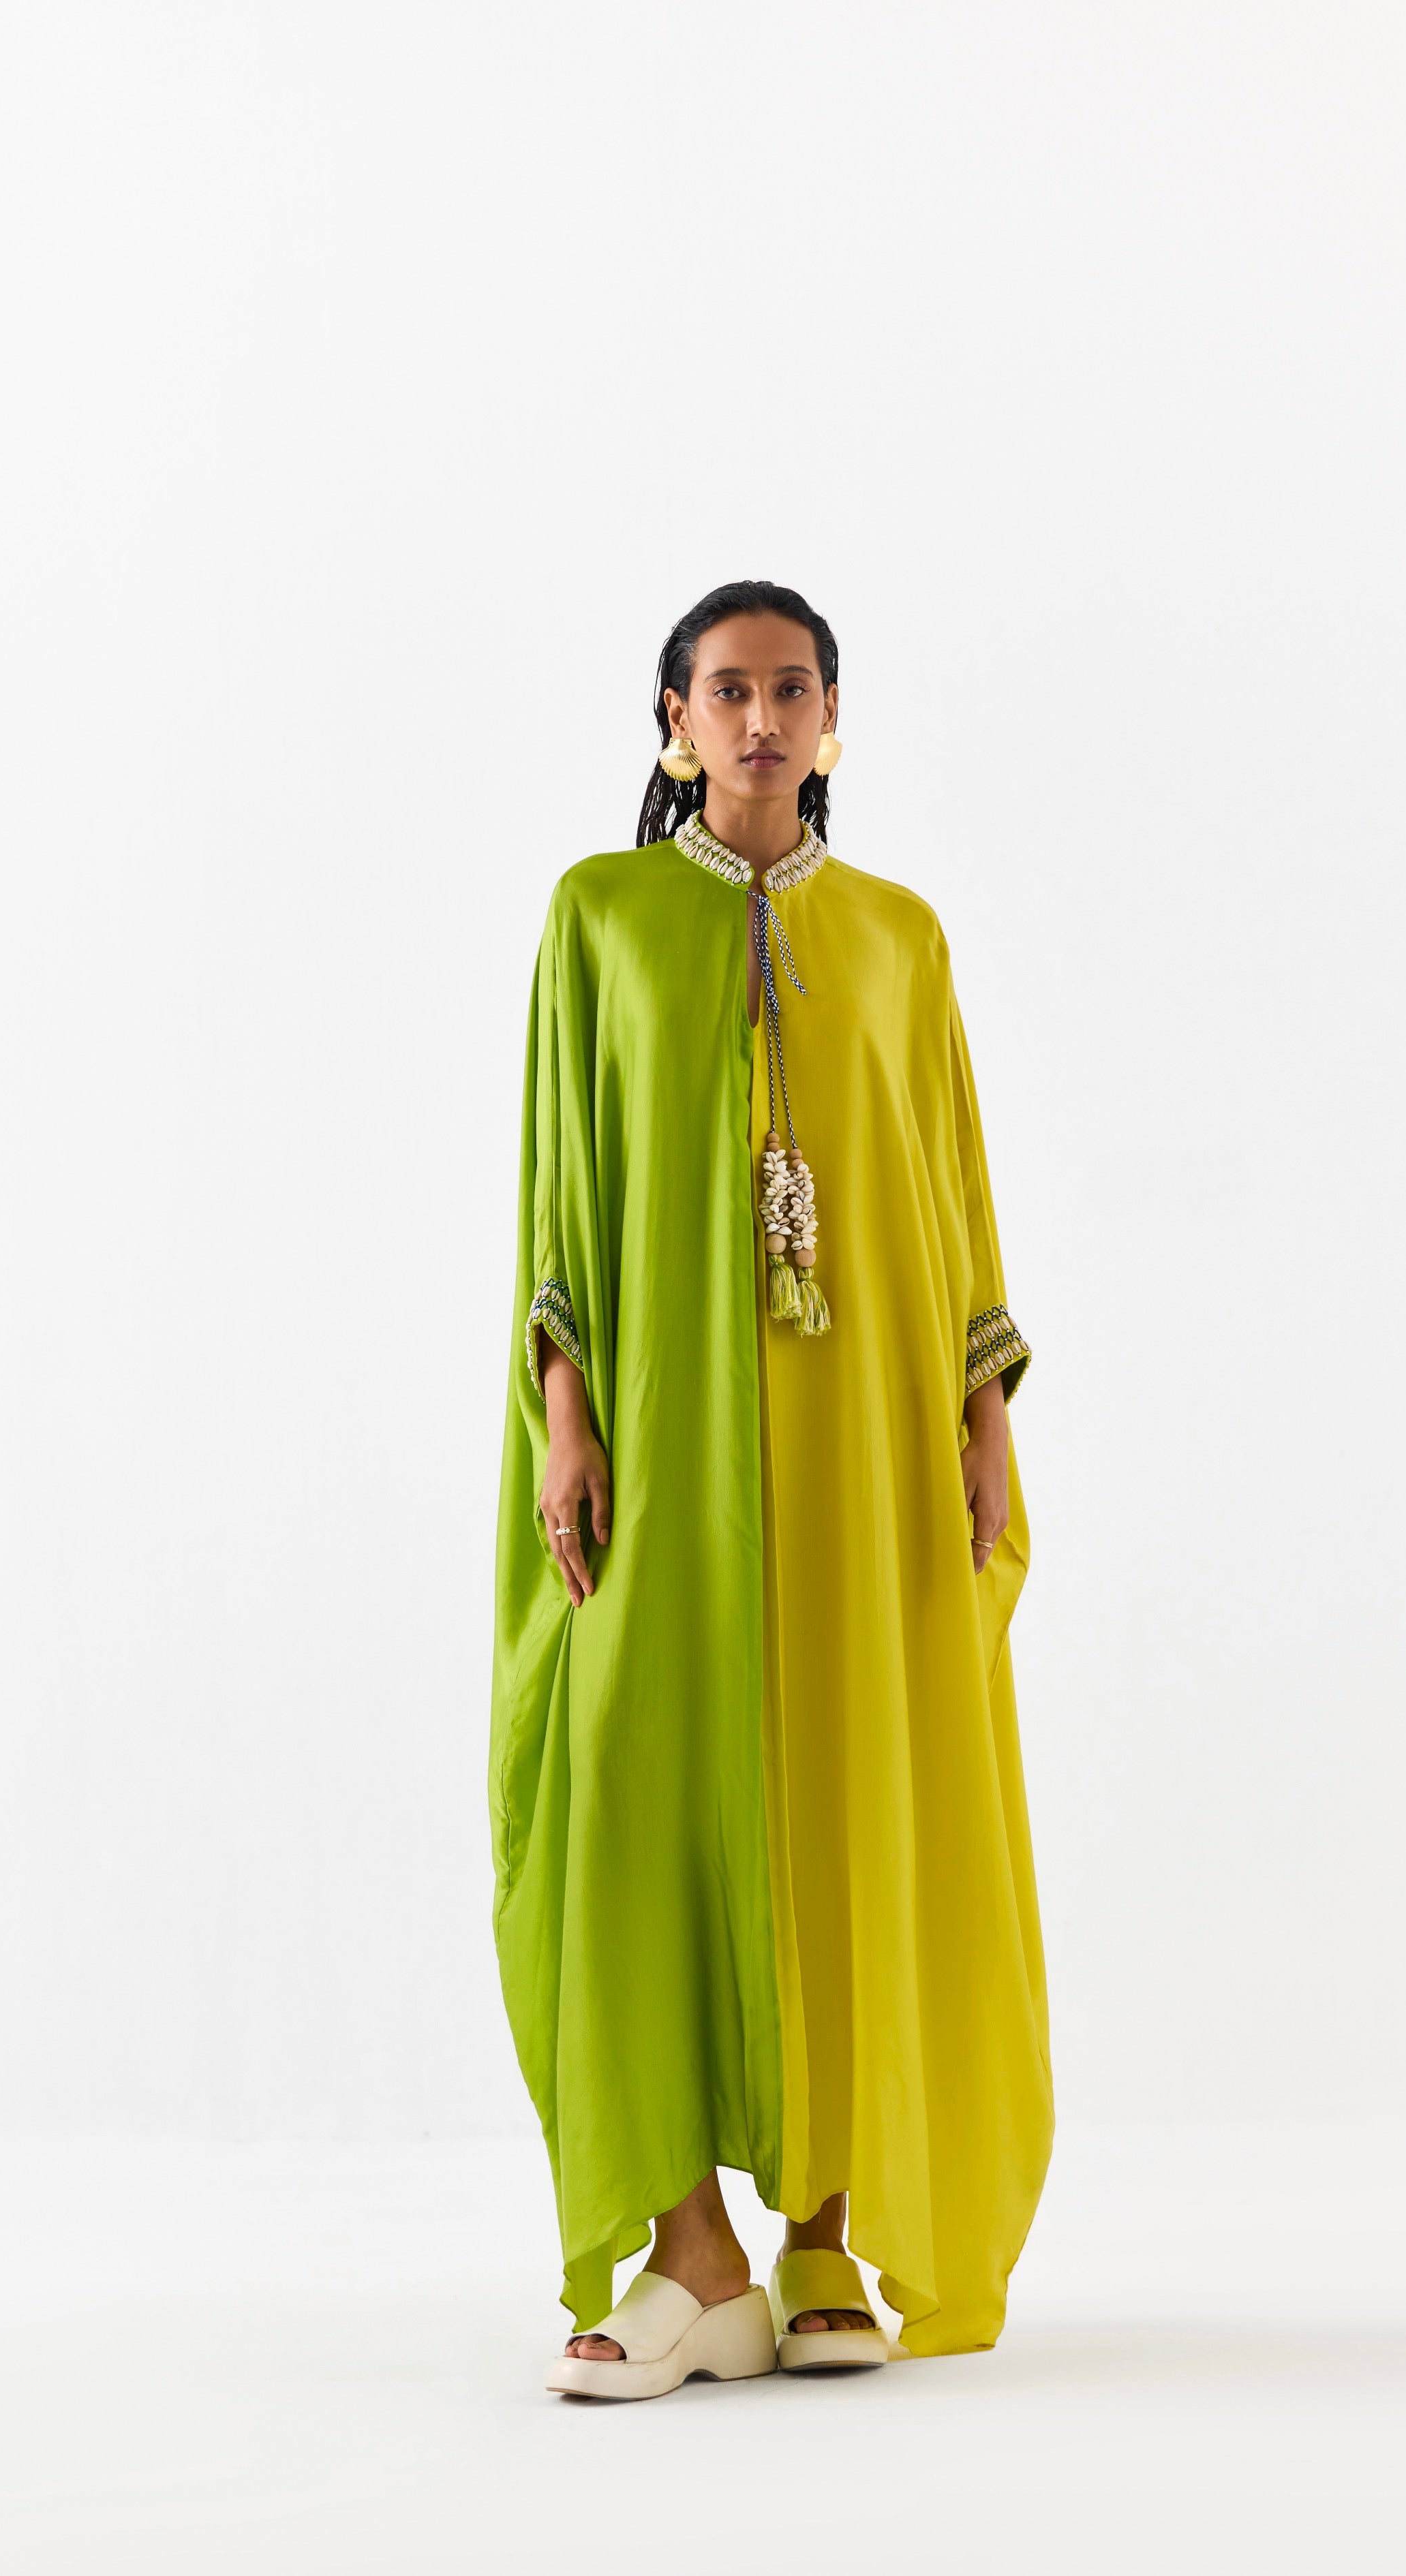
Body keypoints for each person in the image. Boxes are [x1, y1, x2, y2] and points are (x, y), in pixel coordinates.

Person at [490, 579, 1053, 2400]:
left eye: (788, 689)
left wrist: (982, 1413)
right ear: (673, 721)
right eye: (724, 690)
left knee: (846, 1785)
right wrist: (565, 1415)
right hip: (663, 1434)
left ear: (829, 721)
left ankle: (820, 2227)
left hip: (860, 1443)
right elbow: (564, 1185)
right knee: (632, 1786)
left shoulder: (896, 937)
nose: (757, 719)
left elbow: (948, 1182)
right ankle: (692, 2252)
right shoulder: (600, 917)